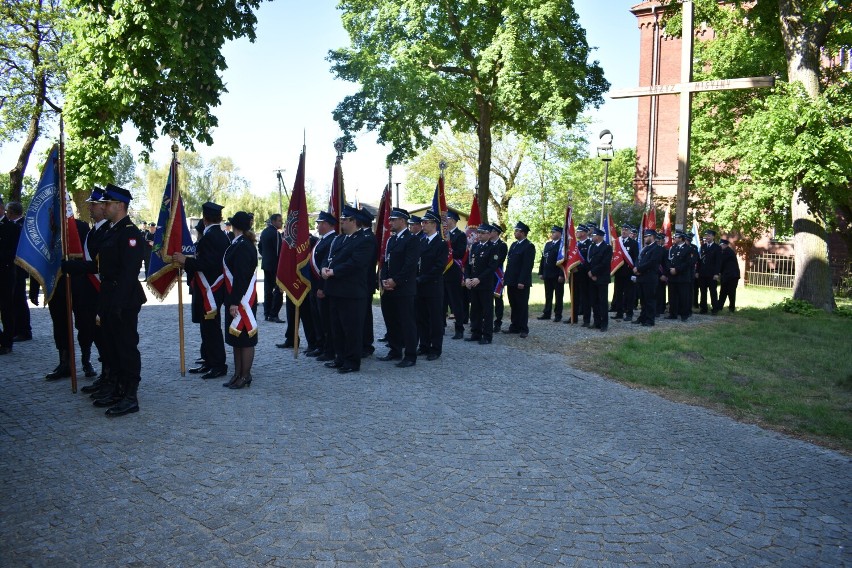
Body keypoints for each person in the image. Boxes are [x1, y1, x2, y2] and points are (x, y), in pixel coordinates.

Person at [92, 184, 147, 416]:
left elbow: (129, 271)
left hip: (123, 299)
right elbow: (101, 265)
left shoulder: (130, 233)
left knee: (126, 347)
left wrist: (118, 303)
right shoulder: (112, 230)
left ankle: (130, 396)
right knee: (112, 346)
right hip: (109, 295)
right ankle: (117, 388)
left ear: (120, 205)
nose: (103, 207)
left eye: (108, 203)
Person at [174, 202, 231, 380]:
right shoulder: (219, 235)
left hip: (210, 289)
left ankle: (218, 364)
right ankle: (208, 360)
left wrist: (185, 261)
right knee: (207, 328)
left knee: (211, 328)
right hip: (210, 287)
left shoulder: (210, 237)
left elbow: (208, 264)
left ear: (204, 219)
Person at [322, 206, 374, 374]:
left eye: (345, 219)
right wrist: (324, 268)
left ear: (354, 221)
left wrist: (334, 271)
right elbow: (328, 258)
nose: (342, 222)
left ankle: (352, 361)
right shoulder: (339, 239)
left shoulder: (364, 240)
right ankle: (340, 357)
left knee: (351, 328)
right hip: (335, 290)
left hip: (351, 292)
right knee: (336, 327)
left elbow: (356, 263)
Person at [221, 211, 258, 389]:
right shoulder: (239, 243)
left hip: (243, 300)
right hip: (236, 297)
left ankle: (245, 375)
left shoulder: (243, 246)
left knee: (245, 338)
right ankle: (237, 374)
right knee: (236, 337)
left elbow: (242, 277)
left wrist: (235, 301)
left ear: (234, 226)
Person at [378, 207, 420, 368]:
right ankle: (395, 350)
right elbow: (386, 262)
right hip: (389, 287)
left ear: (403, 221)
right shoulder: (392, 239)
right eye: (390, 220)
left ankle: (410, 355)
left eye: (393, 220)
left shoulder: (412, 239)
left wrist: (395, 280)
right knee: (392, 321)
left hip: (404, 288)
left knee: (407, 322)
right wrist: (384, 280)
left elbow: (410, 265)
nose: (390, 222)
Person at [415, 210, 446, 360]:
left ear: (434, 224)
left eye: (426, 222)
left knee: (435, 319)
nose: (423, 225)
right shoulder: (421, 241)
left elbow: (439, 267)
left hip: (432, 286)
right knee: (422, 317)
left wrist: (422, 278)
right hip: (419, 286)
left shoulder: (441, 244)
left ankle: (435, 348)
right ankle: (424, 345)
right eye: (423, 222)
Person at [310, 211, 338, 361]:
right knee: (318, 318)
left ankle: (329, 350)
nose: (318, 226)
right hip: (315, 285)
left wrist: (322, 287)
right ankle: (321, 346)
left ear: (327, 224)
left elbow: (326, 265)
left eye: (319, 223)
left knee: (326, 320)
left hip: (323, 286)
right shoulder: (321, 240)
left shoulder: (332, 240)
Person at [464, 225, 498, 344]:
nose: (479, 235)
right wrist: (467, 277)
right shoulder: (474, 247)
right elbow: (468, 264)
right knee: (475, 309)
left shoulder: (493, 247)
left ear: (489, 234)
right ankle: (476, 333)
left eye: (483, 233)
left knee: (487, 310)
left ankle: (487, 336)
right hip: (473, 283)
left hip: (485, 284)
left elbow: (492, 267)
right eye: (478, 233)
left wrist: (479, 278)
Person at [503, 221, 536, 337]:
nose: (515, 232)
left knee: (521, 305)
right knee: (514, 304)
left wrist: (522, 281)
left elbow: (527, 266)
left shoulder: (528, 246)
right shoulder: (514, 245)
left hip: (521, 282)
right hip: (511, 280)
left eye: (517, 231)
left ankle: (523, 329)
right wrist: (505, 278)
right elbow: (510, 264)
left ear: (523, 233)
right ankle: (514, 326)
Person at [5, 202, 32, 341]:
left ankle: (24, 329)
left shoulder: (21, 225)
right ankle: (17, 329)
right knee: (15, 300)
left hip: (19, 268)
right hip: (14, 268)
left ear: (12, 212)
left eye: (8, 211)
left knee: (19, 300)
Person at [0, 197, 21, 355]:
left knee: (6, 308)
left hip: (5, 273)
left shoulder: (11, 228)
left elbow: (13, 252)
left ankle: (7, 342)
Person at [357, 207, 379, 359]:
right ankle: (363, 343)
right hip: (362, 283)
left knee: (364, 315)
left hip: (365, 282)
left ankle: (366, 344)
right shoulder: (363, 236)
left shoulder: (368, 238)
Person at [632, 229, 664, 327]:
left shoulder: (657, 248)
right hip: (641, 277)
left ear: (652, 237)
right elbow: (639, 259)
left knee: (649, 299)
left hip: (650, 277)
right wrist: (636, 267)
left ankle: (650, 320)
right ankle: (643, 317)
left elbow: (652, 262)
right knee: (643, 299)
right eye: (644, 236)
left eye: (647, 236)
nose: (645, 238)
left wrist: (639, 269)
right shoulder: (645, 248)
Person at [443, 210, 467, 339]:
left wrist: (449, 251)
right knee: (442, 301)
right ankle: (441, 326)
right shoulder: (443, 235)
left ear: (452, 220)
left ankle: (459, 328)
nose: (445, 221)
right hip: (442, 272)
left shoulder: (460, 235)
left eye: (447, 218)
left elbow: (461, 252)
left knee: (455, 301)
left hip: (453, 271)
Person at [258, 213, 284, 323]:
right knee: (278, 290)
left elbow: (260, 247)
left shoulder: (264, 232)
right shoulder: (276, 234)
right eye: (279, 221)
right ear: (273, 221)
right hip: (275, 266)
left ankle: (267, 313)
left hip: (266, 264)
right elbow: (279, 252)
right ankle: (274, 314)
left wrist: (266, 257)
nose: (281, 223)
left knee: (267, 290)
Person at [586, 228, 613, 332]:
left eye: (594, 235)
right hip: (591, 278)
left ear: (599, 236)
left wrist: (593, 272)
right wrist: (590, 272)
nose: (592, 237)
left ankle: (604, 323)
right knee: (594, 301)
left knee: (602, 301)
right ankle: (596, 322)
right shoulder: (591, 247)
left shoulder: (607, 248)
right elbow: (588, 261)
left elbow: (605, 263)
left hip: (602, 278)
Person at [612, 223, 638, 322]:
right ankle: (619, 313)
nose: (624, 231)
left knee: (629, 294)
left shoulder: (633, 243)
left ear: (629, 232)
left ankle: (629, 313)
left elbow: (636, 258)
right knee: (618, 293)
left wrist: (634, 271)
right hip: (618, 272)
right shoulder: (616, 242)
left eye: (626, 230)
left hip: (628, 272)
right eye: (623, 229)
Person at [538, 226, 565, 322]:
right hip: (547, 274)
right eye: (552, 232)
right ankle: (547, 313)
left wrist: (562, 274)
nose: (552, 233)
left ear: (559, 233)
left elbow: (563, 261)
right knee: (548, 295)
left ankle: (558, 315)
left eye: (554, 232)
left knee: (558, 295)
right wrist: (541, 272)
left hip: (557, 274)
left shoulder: (563, 245)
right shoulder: (548, 244)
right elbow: (543, 258)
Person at [568, 224, 592, 325]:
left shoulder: (590, 244)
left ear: (583, 233)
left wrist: (579, 268)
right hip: (574, 274)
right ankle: (574, 317)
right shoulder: (575, 245)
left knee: (585, 297)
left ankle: (586, 319)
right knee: (574, 296)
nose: (576, 233)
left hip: (584, 275)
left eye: (578, 231)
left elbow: (590, 260)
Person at [666, 231, 693, 321]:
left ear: (681, 238)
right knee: (672, 296)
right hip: (672, 277)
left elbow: (688, 263)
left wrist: (676, 270)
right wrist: (670, 269)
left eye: (676, 237)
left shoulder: (688, 249)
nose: (674, 239)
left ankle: (684, 315)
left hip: (682, 277)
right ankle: (673, 313)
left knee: (683, 297)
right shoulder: (673, 248)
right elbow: (669, 260)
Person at [489, 224, 508, 332]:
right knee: (487, 300)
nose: (488, 233)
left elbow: (498, 260)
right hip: (488, 275)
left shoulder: (502, 245)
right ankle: (487, 321)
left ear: (496, 232)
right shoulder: (488, 244)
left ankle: (498, 322)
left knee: (498, 299)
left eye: (490, 231)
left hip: (497, 275)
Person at [698, 229, 721, 314]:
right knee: (703, 291)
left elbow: (718, 262)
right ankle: (703, 308)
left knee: (713, 292)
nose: (707, 237)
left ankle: (715, 309)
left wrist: (716, 273)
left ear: (713, 237)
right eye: (706, 235)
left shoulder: (717, 247)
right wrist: (697, 271)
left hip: (712, 274)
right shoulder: (703, 246)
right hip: (703, 273)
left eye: (709, 235)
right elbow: (699, 260)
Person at [717, 238, 740, 312]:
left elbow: (721, 262)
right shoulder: (725, 251)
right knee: (724, 291)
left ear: (725, 245)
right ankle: (720, 306)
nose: (720, 247)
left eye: (721, 245)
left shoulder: (728, 252)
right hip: (727, 275)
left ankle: (731, 308)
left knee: (731, 292)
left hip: (731, 276)